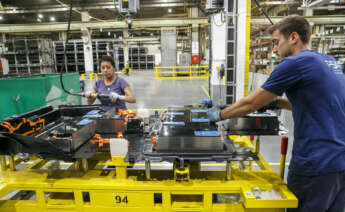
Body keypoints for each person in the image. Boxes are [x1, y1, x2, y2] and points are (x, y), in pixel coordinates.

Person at [207, 15, 345, 212]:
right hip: (340, 163)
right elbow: (318, 104)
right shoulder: (328, 61)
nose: (274, 48)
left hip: (316, 163)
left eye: (276, 41)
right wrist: (277, 102)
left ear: (294, 37)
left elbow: (250, 104)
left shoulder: (295, 63)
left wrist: (220, 114)